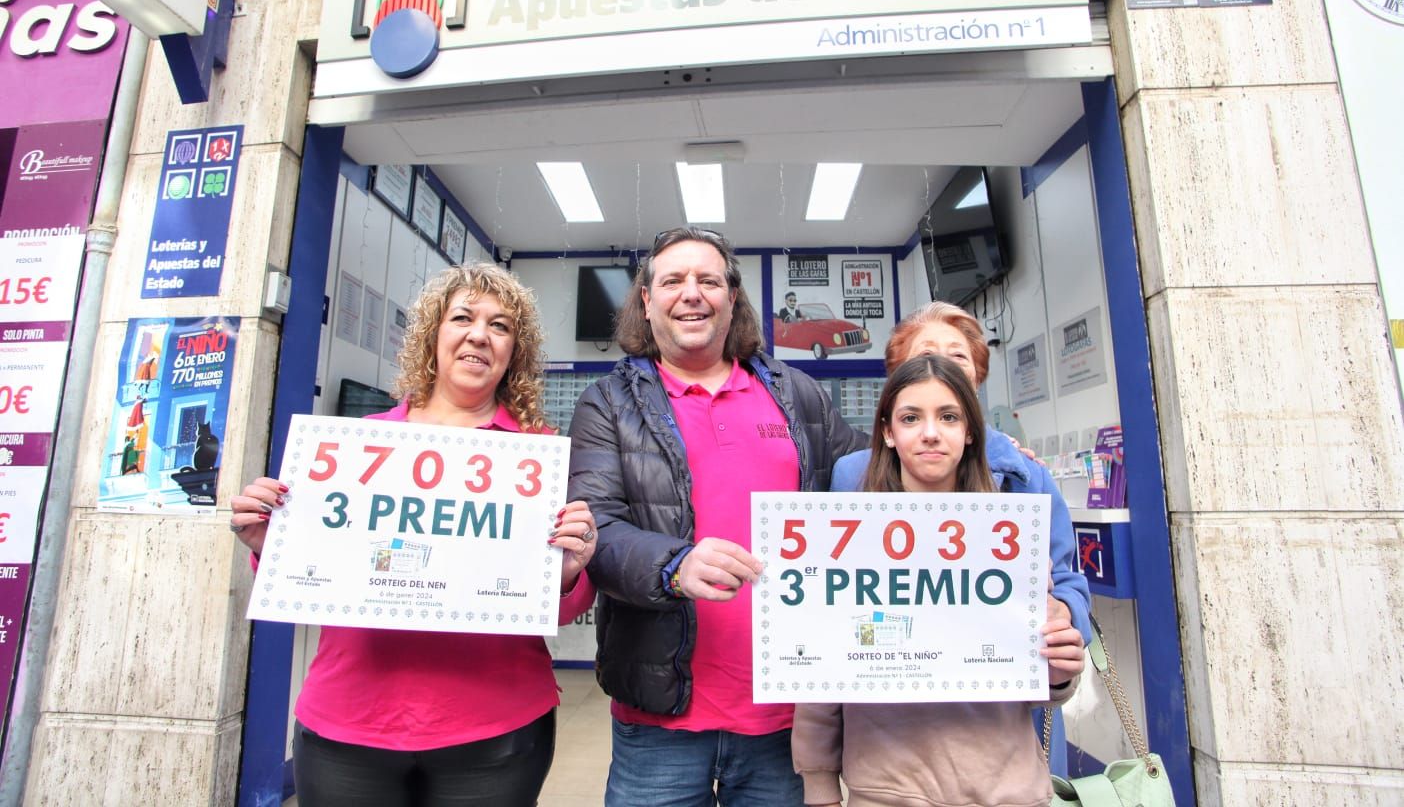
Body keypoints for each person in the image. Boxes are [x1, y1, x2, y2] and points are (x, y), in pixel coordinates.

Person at [231, 263, 597, 807]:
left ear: (513, 351)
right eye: (463, 318)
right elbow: (310, 582)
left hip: (496, 728)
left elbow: (565, 607)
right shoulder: (357, 446)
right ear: (434, 335)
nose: (479, 334)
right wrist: (270, 543)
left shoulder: (536, 458)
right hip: (349, 724)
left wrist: (567, 572)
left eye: (500, 326)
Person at [568, 226, 867, 807]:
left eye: (708, 280)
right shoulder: (607, 402)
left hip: (787, 714)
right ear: (647, 302)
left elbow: (879, 479)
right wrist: (673, 567)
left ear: (732, 298)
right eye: (673, 280)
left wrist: (995, 458)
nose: (692, 293)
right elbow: (594, 529)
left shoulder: (798, 395)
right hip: (658, 716)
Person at [793, 354, 1085, 807]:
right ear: (888, 433)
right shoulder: (847, 540)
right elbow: (821, 674)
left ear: (970, 433)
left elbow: (1043, 679)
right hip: (886, 788)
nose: (930, 432)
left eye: (949, 417)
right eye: (911, 418)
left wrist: (1061, 671)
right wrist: (820, 787)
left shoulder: (1010, 543)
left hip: (1007, 787)